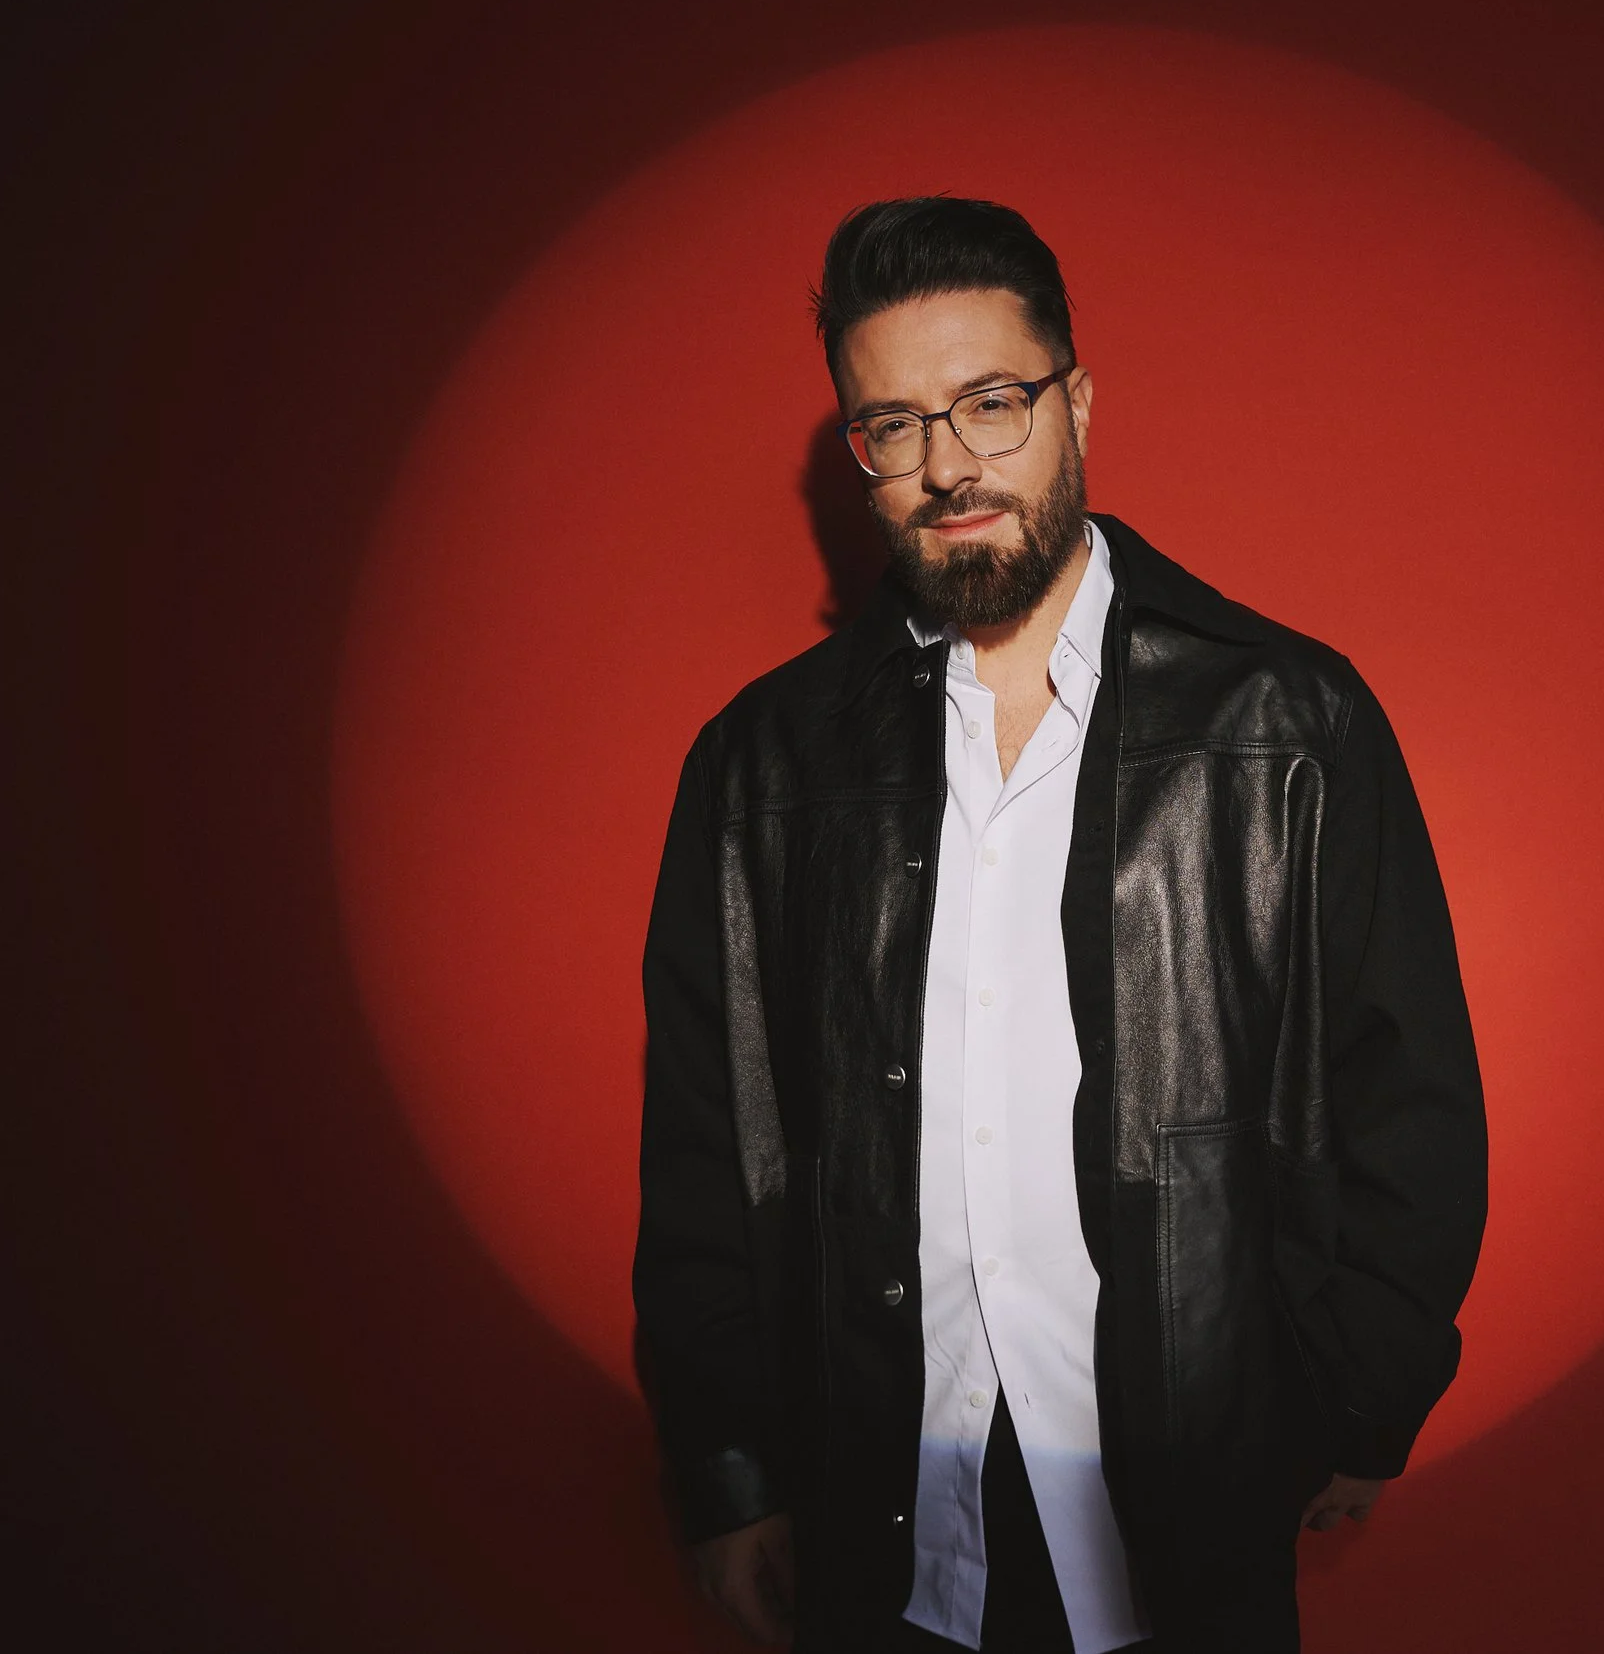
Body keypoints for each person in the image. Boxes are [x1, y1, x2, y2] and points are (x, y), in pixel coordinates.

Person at [633, 196, 1487, 1654]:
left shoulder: (1289, 721)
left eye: (991, 402)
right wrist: (727, 1470)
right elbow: (711, 1140)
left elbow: (1410, 1097)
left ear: (1076, 403)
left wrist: (1363, 1397)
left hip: (1195, 1509)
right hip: (880, 1515)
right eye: (892, 425)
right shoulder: (761, 765)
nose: (947, 464)